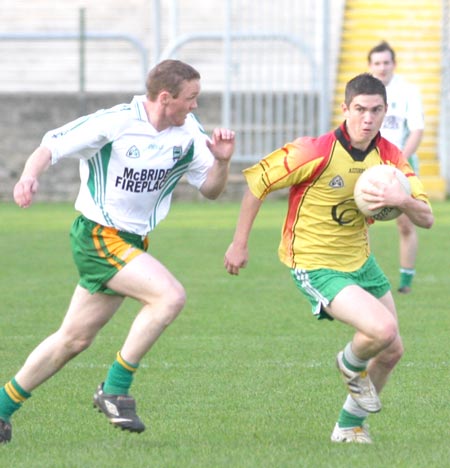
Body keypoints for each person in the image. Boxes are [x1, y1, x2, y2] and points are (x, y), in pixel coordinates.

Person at [0, 59, 235, 444]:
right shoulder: (115, 122)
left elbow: (210, 190)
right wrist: (29, 176)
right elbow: (50, 145)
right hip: (96, 235)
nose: (196, 106)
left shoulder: (188, 133)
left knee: (73, 340)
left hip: (131, 243)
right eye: (191, 98)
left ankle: (1, 409)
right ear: (165, 97)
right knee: (169, 296)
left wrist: (222, 162)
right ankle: (114, 389)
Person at [224, 73, 433, 443]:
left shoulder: (389, 157)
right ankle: (350, 363)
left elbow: (426, 217)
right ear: (345, 109)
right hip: (314, 262)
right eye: (360, 110)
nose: (368, 119)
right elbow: (257, 185)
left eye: (376, 110)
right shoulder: (314, 150)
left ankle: (348, 427)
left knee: (392, 350)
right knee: (381, 331)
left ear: (386, 111)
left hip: (360, 260)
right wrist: (239, 243)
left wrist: (401, 200)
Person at [368, 41, 425, 294]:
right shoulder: (363, 90)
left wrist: (399, 161)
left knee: (405, 223)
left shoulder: (408, 91)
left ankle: (405, 282)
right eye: (377, 63)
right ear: (370, 66)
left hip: (400, 164)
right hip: (369, 163)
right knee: (360, 222)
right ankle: (361, 274)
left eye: (386, 63)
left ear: (394, 64)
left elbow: (417, 130)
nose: (382, 67)